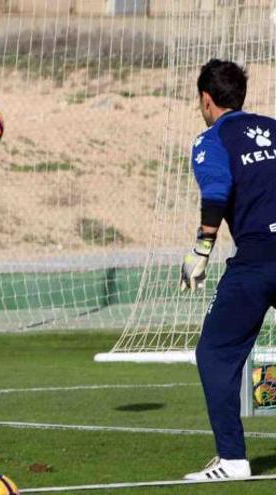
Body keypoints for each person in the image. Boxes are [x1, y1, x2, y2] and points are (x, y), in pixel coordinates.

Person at [180, 58, 276, 480]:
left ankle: (233, 460)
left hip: (257, 261)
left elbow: (217, 191)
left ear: (206, 99)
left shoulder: (211, 139)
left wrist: (201, 250)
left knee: (216, 353)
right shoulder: (274, 128)